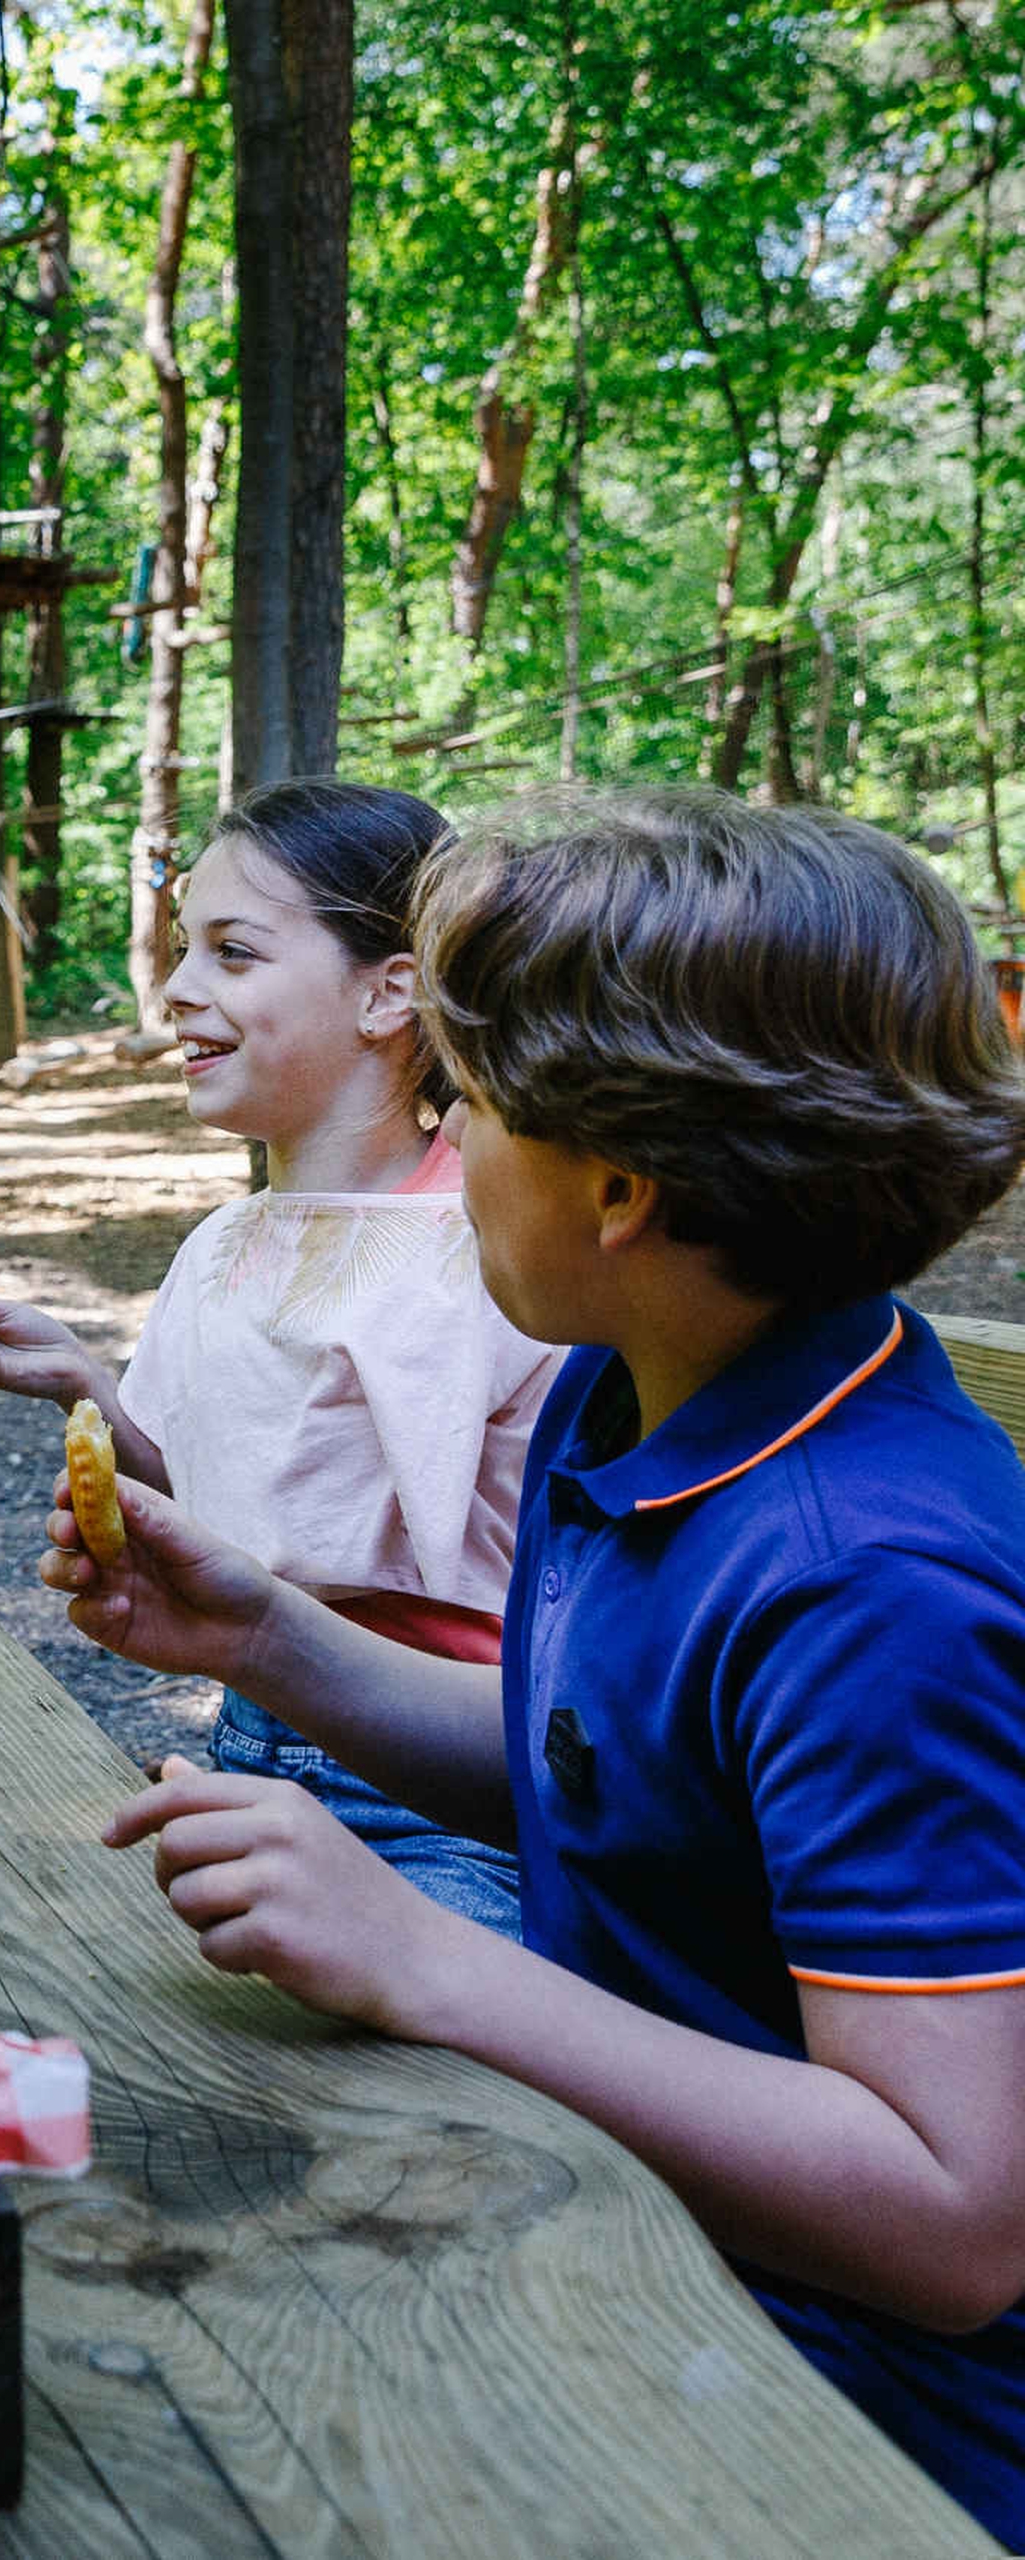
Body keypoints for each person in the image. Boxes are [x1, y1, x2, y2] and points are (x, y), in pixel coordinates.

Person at [62, 788, 1025, 2540]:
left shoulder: (870, 1584)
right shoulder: (631, 1382)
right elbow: (609, 1776)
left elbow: (952, 2224)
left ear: (621, 1189)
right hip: (642, 2229)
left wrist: (426, 1960)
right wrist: (272, 1641)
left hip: (849, 2418)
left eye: (475, 1101)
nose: (451, 1142)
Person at [0, 779, 551, 1933]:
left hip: (457, 1786)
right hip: (250, 1742)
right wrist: (86, 1386)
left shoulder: (497, 1236)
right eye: (182, 949)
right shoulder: (225, 1242)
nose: (176, 988)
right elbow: (228, 1503)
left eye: (234, 952)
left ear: (389, 992)